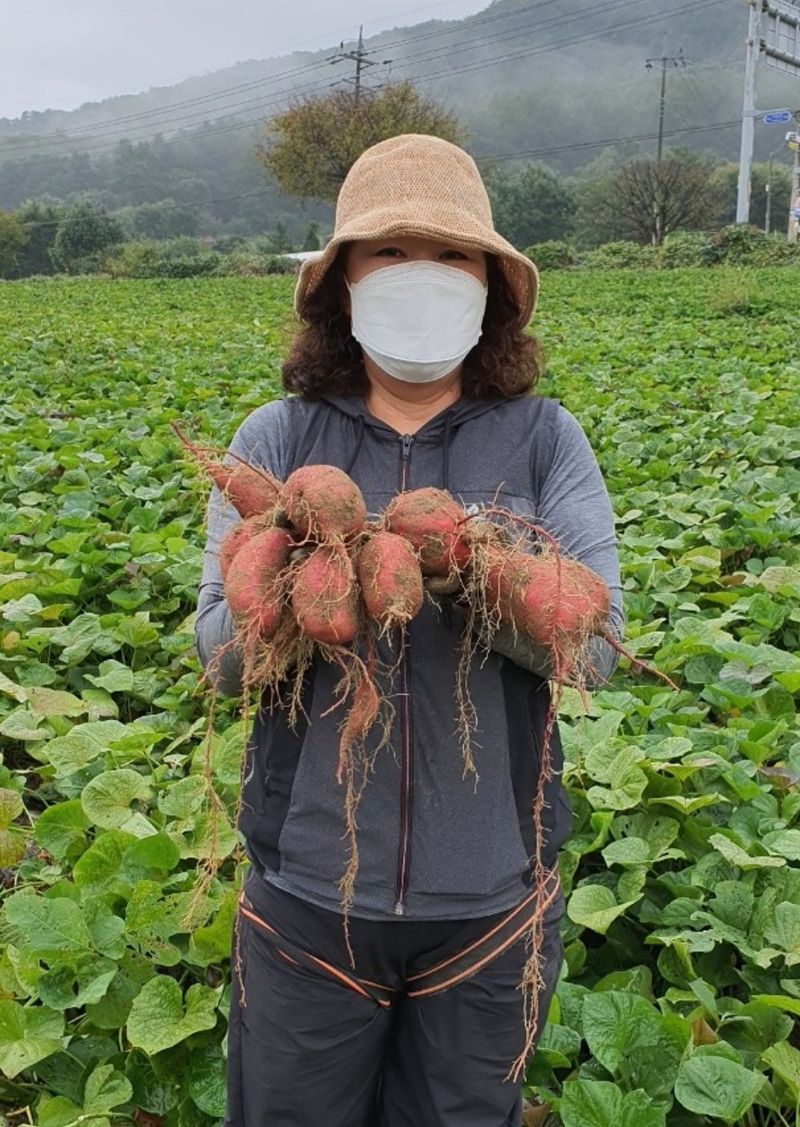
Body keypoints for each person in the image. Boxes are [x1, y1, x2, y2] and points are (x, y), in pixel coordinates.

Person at [195, 133, 624, 1127]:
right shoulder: (276, 439)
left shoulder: (545, 439)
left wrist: (470, 569)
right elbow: (219, 656)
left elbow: (596, 648)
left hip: (490, 905)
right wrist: (303, 585)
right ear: (343, 279)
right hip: (306, 899)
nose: (419, 273)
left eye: (451, 254)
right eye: (388, 250)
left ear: (490, 287)